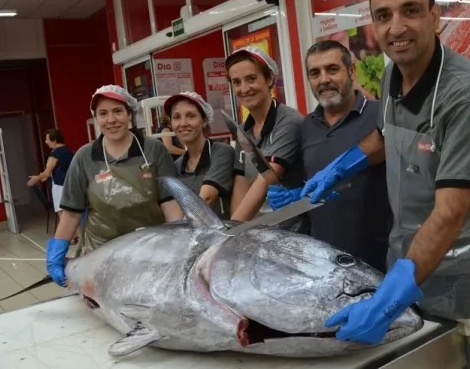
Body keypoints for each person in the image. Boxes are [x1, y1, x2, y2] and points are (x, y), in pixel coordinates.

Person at [274, 0, 470, 368]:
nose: (397, 27)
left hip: (466, 267)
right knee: (425, 359)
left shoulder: (467, 95)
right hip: (407, 258)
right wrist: (339, 168)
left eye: (411, 10)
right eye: (384, 16)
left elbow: (451, 212)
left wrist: (387, 302)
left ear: (434, 16)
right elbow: (385, 137)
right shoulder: (391, 75)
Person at [267, 40, 393, 272]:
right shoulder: (307, 126)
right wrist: (295, 198)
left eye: (332, 69)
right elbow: (313, 184)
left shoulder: (380, 114)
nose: (323, 79)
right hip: (323, 264)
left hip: (380, 262)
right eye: (315, 73)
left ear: (352, 71)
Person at [45, 85, 185, 287]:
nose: (111, 119)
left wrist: (180, 243)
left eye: (118, 111)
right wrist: (57, 254)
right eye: (103, 113)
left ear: (130, 114)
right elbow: (71, 213)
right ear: (96, 118)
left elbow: (169, 203)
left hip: (150, 256)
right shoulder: (85, 157)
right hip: (98, 259)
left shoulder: (153, 150)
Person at [225, 46, 304, 222]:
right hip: (257, 229)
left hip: (290, 230)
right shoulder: (243, 130)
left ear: (269, 79)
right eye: (236, 82)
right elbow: (241, 184)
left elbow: (265, 179)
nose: (244, 89)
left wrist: (234, 228)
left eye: (251, 79)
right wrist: (234, 227)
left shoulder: (289, 122)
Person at [165, 92, 236, 219]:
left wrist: (181, 226)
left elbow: (207, 198)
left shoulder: (221, 152)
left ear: (204, 121)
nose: (183, 123)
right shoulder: (178, 165)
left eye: (191, 116)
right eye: (176, 117)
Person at [27, 128, 79, 244]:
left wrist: (36, 178)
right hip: (70, 184)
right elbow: (62, 168)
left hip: (59, 186)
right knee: (71, 212)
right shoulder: (67, 150)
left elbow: (47, 172)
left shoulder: (55, 153)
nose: (46, 142)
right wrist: (46, 176)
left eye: (47, 139)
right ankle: (76, 235)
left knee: (62, 212)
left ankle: (69, 238)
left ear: (54, 140)